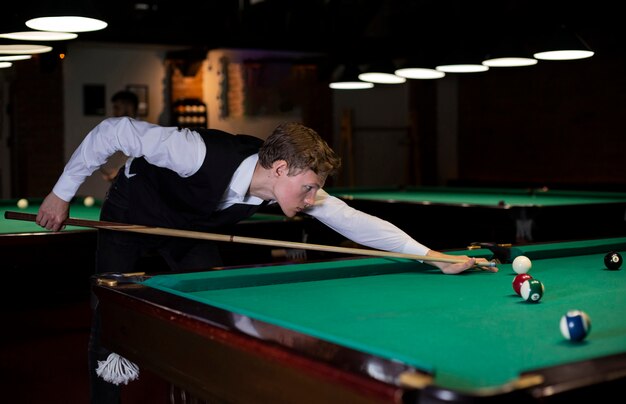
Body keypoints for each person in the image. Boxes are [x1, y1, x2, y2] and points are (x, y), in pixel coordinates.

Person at [35, 118, 498, 403]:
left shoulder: (288, 184)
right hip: (133, 210)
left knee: (211, 305)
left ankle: (206, 389)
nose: (313, 196)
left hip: (192, 226)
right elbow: (112, 131)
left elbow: (354, 221)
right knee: (110, 306)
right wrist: (61, 194)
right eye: (309, 187)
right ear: (280, 169)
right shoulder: (193, 151)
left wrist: (432, 257)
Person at [99, 90, 140, 182]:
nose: (114, 112)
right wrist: (116, 172)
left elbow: (137, 161)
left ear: (129, 107)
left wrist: (117, 173)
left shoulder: (138, 130)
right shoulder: (125, 129)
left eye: (117, 108)